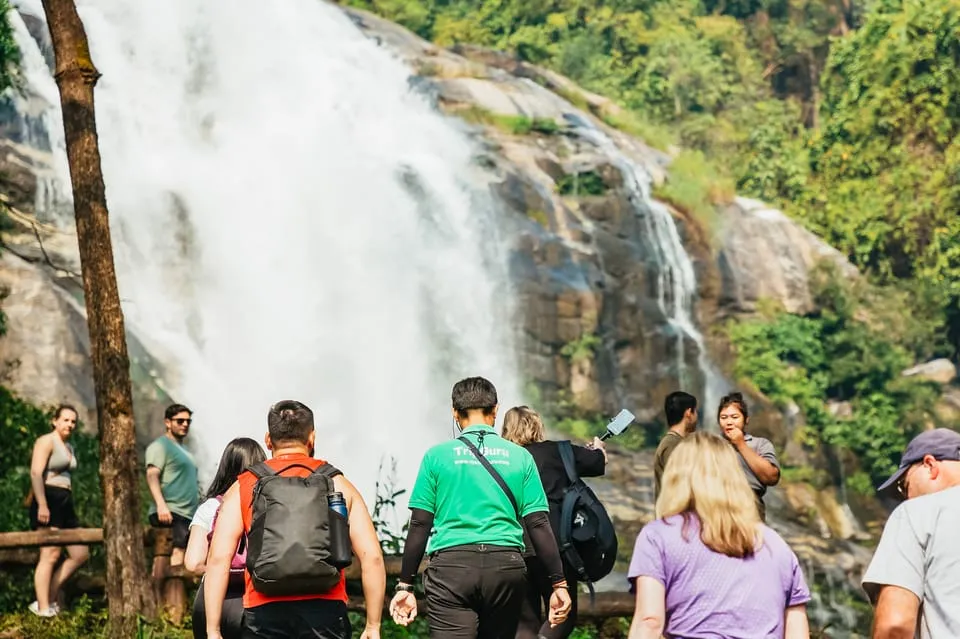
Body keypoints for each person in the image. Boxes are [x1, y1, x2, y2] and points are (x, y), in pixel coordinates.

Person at [389, 377, 572, 639]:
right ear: (495, 410)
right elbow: (538, 523)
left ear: (455, 413)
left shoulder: (436, 456)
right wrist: (559, 583)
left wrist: (405, 585)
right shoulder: (521, 457)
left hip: (452, 569)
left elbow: (420, 523)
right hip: (505, 568)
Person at [204, 400, 386, 639]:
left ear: (268, 440)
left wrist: (213, 630)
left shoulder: (244, 485)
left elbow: (218, 559)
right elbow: (372, 557)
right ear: (312, 437)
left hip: (263, 610)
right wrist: (373, 626)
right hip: (326, 611)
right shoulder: (337, 483)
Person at [627, 432, 811, 639]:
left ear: (675, 477)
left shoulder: (658, 536)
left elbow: (649, 621)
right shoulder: (775, 544)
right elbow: (797, 630)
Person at [500, 405, 606, 639]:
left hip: (512, 546)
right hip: (553, 545)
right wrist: (598, 448)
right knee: (562, 615)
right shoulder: (557, 452)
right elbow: (597, 463)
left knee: (525, 621)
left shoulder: (501, 459)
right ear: (537, 426)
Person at [862, 428, 960, 638]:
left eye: (903, 486)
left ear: (930, 465)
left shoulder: (917, 512)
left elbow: (894, 626)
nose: (906, 497)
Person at [184, 437, 267, 639]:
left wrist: (220, 570)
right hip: (253, 601)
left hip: (210, 603)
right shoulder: (267, 508)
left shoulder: (210, 507)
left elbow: (192, 563)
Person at [27, 405, 89, 617]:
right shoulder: (46, 441)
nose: (70, 425)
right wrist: (42, 504)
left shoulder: (69, 446)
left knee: (80, 554)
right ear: (55, 421)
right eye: (65, 420)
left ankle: (49, 597)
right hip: (49, 499)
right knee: (50, 554)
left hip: (65, 502)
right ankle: (43, 608)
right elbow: (36, 473)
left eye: (73, 421)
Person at [146, 402, 200, 611]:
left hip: (186, 513)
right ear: (167, 422)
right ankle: (165, 608)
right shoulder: (160, 446)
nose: (185, 424)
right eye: (180, 421)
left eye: (188, 421)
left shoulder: (184, 450)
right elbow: (152, 475)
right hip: (170, 510)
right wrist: (161, 505)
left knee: (179, 555)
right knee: (172, 555)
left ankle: (170, 607)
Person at [717, 392, 780, 521]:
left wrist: (741, 444)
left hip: (751, 507)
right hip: (717, 506)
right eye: (724, 417)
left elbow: (772, 477)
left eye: (735, 417)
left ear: (746, 420)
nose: (729, 422)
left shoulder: (760, 444)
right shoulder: (711, 444)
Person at [653, 391, 698, 499]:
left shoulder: (674, 442)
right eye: (695, 411)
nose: (697, 416)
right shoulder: (672, 444)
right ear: (689, 413)